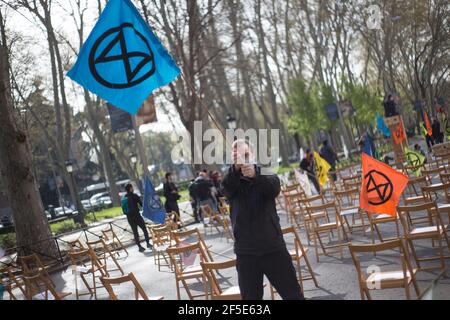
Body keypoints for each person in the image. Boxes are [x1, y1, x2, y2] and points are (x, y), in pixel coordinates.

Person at [222, 139, 304, 300]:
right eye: (237, 156)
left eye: (246, 155)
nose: (242, 159)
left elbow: (273, 188)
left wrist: (255, 175)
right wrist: (235, 169)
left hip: (272, 247)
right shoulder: (231, 178)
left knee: (292, 294)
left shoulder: (266, 172)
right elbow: (225, 190)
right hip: (246, 252)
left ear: (253, 154)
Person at [122, 184, 150, 252]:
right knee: (144, 229)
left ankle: (139, 247)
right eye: (132, 187)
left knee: (135, 233)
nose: (133, 188)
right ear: (130, 188)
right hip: (137, 216)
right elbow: (141, 205)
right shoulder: (134, 196)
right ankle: (148, 243)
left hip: (130, 218)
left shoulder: (124, 198)